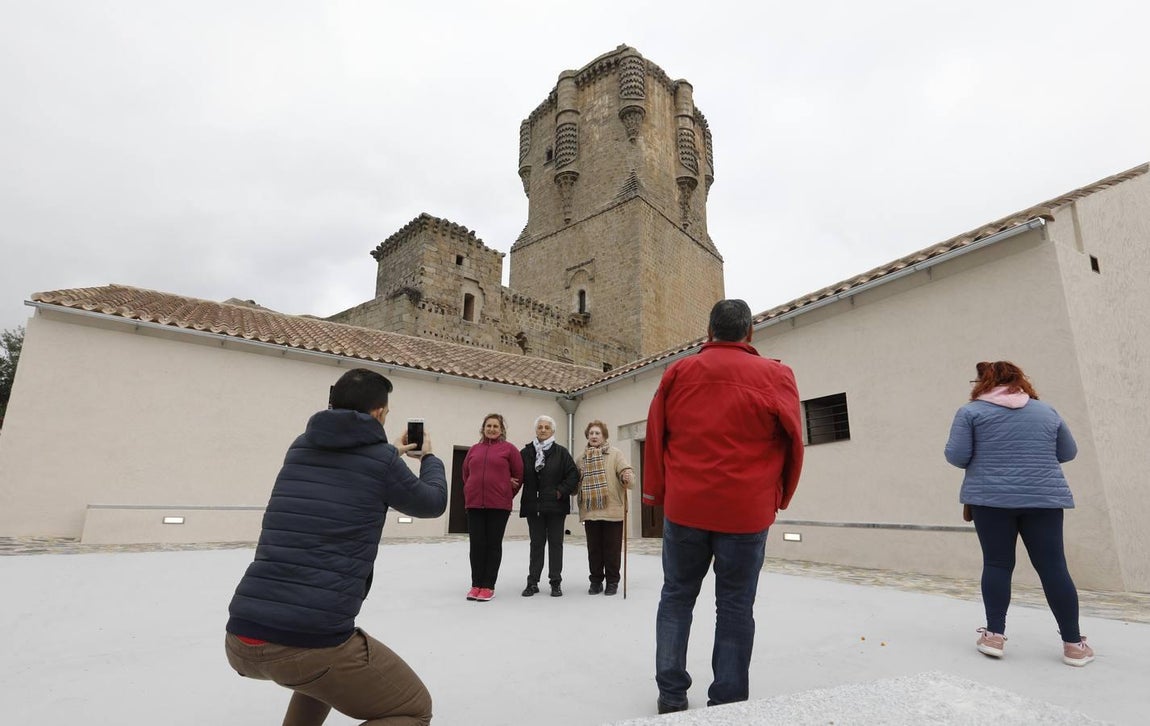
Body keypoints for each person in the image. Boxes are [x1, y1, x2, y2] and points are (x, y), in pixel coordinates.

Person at [225, 368, 447, 726]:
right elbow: (432, 502)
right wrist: (429, 459)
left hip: (241, 634)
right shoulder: (382, 462)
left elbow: (343, 471)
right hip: (310, 640)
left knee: (319, 679)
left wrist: (386, 453)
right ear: (378, 414)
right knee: (413, 709)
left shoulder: (300, 446)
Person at [643, 299, 804, 714]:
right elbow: (793, 444)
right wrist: (780, 496)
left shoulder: (678, 372)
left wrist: (655, 494)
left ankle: (671, 695)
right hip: (745, 512)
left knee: (676, 597)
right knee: (734, 605)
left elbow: (656, 436)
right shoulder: (776, 375)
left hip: (686, 508)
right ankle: (728, 702)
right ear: (749, 333)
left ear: (709, 332)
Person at [944, 360, 1095, 667]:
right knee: (1053, 567)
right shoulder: (1046, 411)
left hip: (991, 500)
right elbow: (1068, 452)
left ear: (983, 382)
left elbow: (957, 456)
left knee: (998, 564)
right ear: (1019, 380)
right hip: (1044, 499)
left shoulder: (970, 413)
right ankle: (1074, 645)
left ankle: (994, 637)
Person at [461, 413, 524, 602]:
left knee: (493, 545)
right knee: (476, 544)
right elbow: (466, 474)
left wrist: (505, 491)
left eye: (496, 426)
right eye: (488, 426)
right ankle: (475, 585)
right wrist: (470, 490)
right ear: (483, 428)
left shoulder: (510, 450)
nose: (492, 429)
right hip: (474, 504)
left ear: (501, 430)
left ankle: (488, 586)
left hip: (499, 506)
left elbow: (519, 476)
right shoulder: (474, 450)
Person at [519, 414, 580, 597]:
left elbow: (573, 476)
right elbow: (516, 474)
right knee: (536, 544)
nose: (543, 430)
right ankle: (533, 582)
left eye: (547, 427)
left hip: (555, 506)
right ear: (536, 430)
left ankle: (555, 582)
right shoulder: (526, 453)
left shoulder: (561, 453)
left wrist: (560, 491)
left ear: (552, 431)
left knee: (556, 544)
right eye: (540, 427)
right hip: (534, 506)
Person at [576, 419, 634, 596]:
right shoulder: (581, 459)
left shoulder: (615, 454)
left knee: (612, 548)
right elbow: (575, 481)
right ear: (587, 436)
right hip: (590, 509)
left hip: (612, 509)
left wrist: (627, 476)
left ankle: (612, 581)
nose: (594, 436)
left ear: (604, 436)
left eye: (597, 433)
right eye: (591, 433)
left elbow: (627, 473)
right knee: (594, 548)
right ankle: (595, 581)